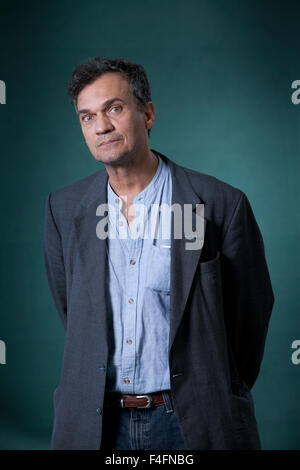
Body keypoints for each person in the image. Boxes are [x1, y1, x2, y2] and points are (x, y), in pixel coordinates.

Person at [43, 57, 275, 450]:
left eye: (114, 109)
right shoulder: (63, 210)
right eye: (87, 117)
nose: (101, 126)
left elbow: (249, 317)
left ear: (147, 114)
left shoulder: (220, 205)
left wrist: (214, 386)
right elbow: (74, 311)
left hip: (193, 423)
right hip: (95, 424)